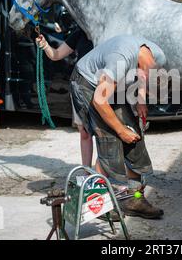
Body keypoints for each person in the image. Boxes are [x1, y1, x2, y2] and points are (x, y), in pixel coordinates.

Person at [70, 34, 166, 219]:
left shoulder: (157, 57)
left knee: (134, 137)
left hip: (113, 84)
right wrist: (120, 130)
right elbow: (99, 101)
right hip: (86, 82)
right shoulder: (120, 60)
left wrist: (141, 99)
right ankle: (95, 202)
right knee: (111, 139)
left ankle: (134, 198)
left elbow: (145, 77)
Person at [35, 29, 94, 167]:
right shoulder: (79, 33)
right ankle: (87, 172)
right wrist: (45, 45)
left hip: (103, 87)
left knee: (104, 134)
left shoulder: (106, 29)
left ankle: (106, 174)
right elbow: (56, 55)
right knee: (84, 133)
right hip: (81, 87)